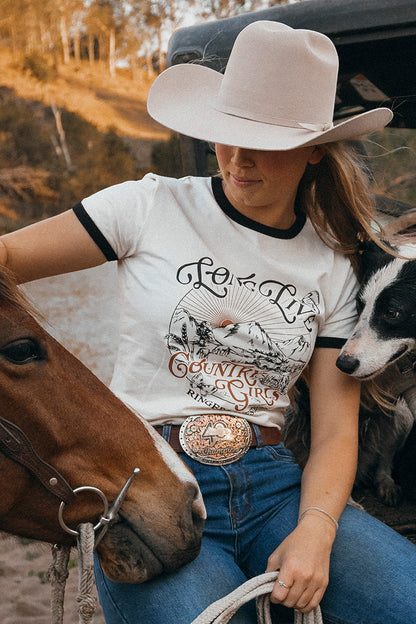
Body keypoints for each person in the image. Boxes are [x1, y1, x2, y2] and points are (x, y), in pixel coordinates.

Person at [1, 20, 415, 624]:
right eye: (224, 135)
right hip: (147, 480)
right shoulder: (145, 207)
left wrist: (317, 532)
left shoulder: (334, 264)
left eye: (265, 142)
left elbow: (332, 433)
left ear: (315, 149)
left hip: (279, 489)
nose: (238, 158)